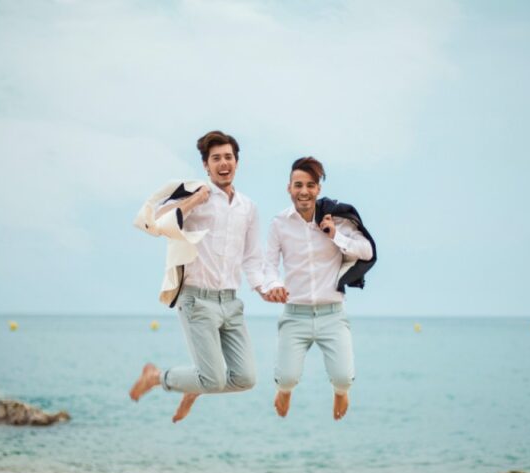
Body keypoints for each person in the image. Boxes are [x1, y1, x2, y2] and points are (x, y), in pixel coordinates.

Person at [129, 131, 268, 422]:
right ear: (206, 165)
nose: (223, 163)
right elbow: (155, 223)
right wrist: (192, 202)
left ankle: (195, 384)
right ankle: (157, 377)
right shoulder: (195, 195)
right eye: (215, 158)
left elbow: (252, 257)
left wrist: (266, 288)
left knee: (246, 378)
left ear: (237, 162)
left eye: (228, 157)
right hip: (196, 300)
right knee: (213, 379)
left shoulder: (249, 208)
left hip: (231, 302)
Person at [262, 156, 376, 420]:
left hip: (332, 314)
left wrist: (335, 235)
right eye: (298, 185)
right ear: (289, 188)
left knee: (344, 378)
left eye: (310, 185)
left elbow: (368, 251)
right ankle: (284, 391)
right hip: (295, 314)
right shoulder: (279, 223)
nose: (304, 191)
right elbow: (268, 264)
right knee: (287, 378)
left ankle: (340, 392)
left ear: (318, 189)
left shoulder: (336, 219)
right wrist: (274, 284)